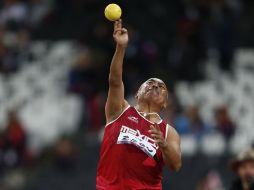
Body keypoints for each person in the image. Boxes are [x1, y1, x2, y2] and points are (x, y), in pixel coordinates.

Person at [96, 19, 182, 189]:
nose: (155, 85)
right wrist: (121, 48)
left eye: (161, 86)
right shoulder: (120, 111)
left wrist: (164, 146)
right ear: (137, 93)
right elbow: (114, 81)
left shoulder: (168, 133)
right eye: (150, 83)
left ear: (165, 102)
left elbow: (176, 165)